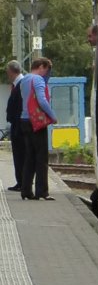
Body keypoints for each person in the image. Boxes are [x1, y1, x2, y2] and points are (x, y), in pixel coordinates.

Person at [20, 57, 57, 201]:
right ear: (41, 66)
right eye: (47, 70)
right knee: (41, 158)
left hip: (24, 120)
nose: (46, 74)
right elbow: (42, 100)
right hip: (36, 122)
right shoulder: (38, 80)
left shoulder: (24, 80)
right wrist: (52, 116)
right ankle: (42, 192)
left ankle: (26, 190)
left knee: (29, 156)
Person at [5, 61, 25, 191]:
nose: (7, 75)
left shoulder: (22, 84)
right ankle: (21, 182)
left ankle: (23, 182)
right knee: (18, 155)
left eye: (8, 72)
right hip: (17, 124)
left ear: (12, 71)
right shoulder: (17, 84)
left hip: (20, 125)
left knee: (21, 154)